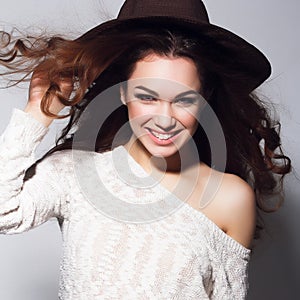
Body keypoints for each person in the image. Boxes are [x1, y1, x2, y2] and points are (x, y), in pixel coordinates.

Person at [0, 0, 291, 299]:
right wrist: (38, 112)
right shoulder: (75, 172)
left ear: (205, 98)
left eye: (184, 100)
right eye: (148, 97)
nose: (165, 120)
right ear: (123, 92)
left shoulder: (229, 198)